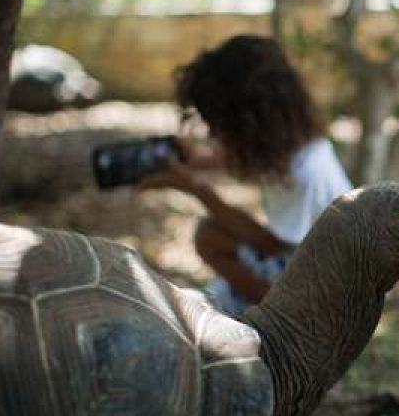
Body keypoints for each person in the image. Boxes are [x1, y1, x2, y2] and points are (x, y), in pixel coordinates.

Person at [138, 34, 352, 316]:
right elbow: (254, 159)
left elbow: (268, 244)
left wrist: (196, 188)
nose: (215, 134)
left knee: (210, 236)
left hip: (319, 295)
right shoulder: (295, 144)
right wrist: (200, 161)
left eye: (221, 125)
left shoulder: (307, 175)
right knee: (215, 234)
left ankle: (269, 317)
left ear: (250, 123)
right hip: (296, 258)